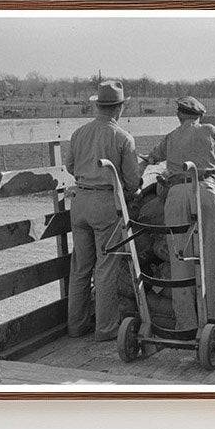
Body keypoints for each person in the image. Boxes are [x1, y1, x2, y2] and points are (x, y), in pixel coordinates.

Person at [146, 96, 215, 332]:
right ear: (200, 115)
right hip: (204, 190)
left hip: (175, 193)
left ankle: (185, 324)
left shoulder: (172, 136)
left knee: (179, 258)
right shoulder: (209, 130)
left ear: (179, 115)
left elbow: (151, 157)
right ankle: (214, 320)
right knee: (210, 254)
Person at [63, 80, 142, 341]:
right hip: (106, 204)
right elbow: (131, 181)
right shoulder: (122, 138)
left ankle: (76, 325)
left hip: (81, 202)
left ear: (98, 106)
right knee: (106, 268)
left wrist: (88, 176)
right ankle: (105, 329)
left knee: (80, 267)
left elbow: (71, 166)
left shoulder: (79, 133)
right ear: (119, 109)